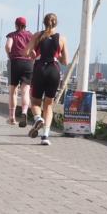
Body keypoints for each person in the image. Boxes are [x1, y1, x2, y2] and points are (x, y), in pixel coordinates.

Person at [27, 13, 68, 146]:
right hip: (54, 70)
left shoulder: (37, 35)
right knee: (49, 105)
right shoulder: (62, 38)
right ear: (56, 23)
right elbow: (65, 61)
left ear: (44, 23)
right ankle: (45, 136)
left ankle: (38, 118)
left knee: (35, 102)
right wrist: (58, 55)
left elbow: (26, 52)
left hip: (40, 68)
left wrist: (33, 53)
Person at [5, 16, 33, 126]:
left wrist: (9, 55)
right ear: (25, 25)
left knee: (13, 91)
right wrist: (31, 59)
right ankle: (24, 112)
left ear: (16, 25)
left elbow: (8, 46)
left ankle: (12, 118)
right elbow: (34, 52)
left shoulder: (12, 35)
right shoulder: (30, 35)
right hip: (28, 63)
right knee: (25, 91)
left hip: (15, 62)